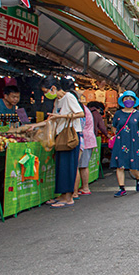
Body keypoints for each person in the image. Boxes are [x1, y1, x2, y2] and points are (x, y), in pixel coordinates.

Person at [40, 77, 84, 208]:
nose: (45, 94)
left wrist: (62, 116)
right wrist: (35, 126)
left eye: (45, 91)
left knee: (68, 166)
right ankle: (62, 195)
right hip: (60, 136)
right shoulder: (57, 101)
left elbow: (80, 113)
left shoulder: (69, 97)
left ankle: (69, 197)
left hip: (69, 136)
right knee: (61, 166)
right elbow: (53, 119)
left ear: (53, 88)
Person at [110, 91, 139, 197]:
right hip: (120, 142)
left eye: (131, 98)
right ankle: (122, 188)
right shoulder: (118, 114)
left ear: (134, 101)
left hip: (134, 142)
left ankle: (138, 178)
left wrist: (136, 137)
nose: (128, 100)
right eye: (126, 98)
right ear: (122, 100)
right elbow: (114, 126)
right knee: (119, 166)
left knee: (133, 167)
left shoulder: (138, 114)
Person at [74, 101, 97, 197]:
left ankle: (85, 187)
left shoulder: (81, 110)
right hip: (87, 139)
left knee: (82, 165)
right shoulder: (85, 109)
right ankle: (84, 187)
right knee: (83, 165)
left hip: (85, 139)